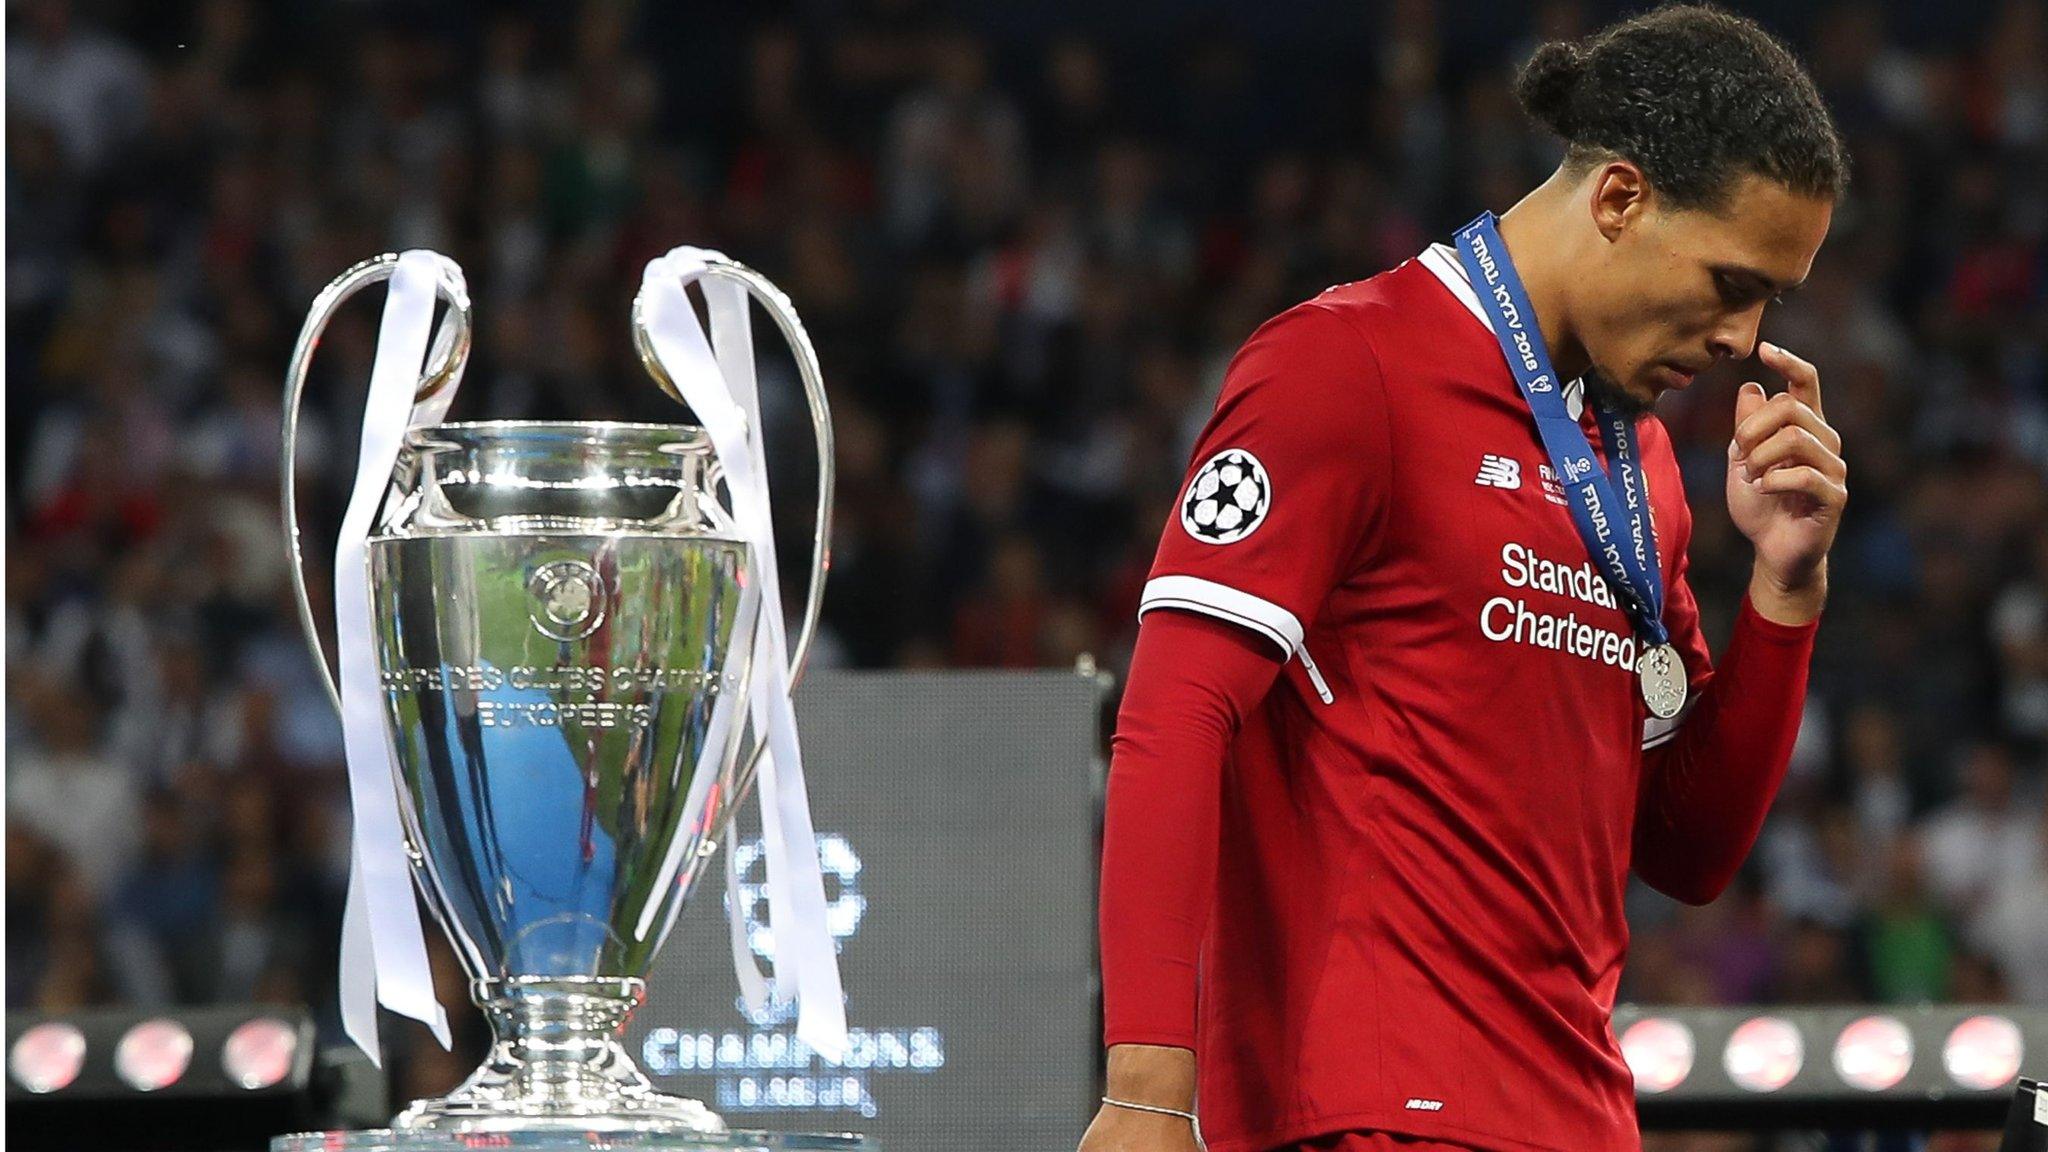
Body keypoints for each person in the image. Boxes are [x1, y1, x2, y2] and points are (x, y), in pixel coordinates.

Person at [1083, 7, 1848, 1152]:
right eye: (1730, 281)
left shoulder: (1635, 463)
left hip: (1581, 1116)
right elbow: (1174, 712)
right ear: (1619, 199)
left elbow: (1685, 853)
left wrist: (1784, 595)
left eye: (1769, 302)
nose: (1742, 335)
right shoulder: (1345, 365)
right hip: (1370, 1115)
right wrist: (1146, 1091)